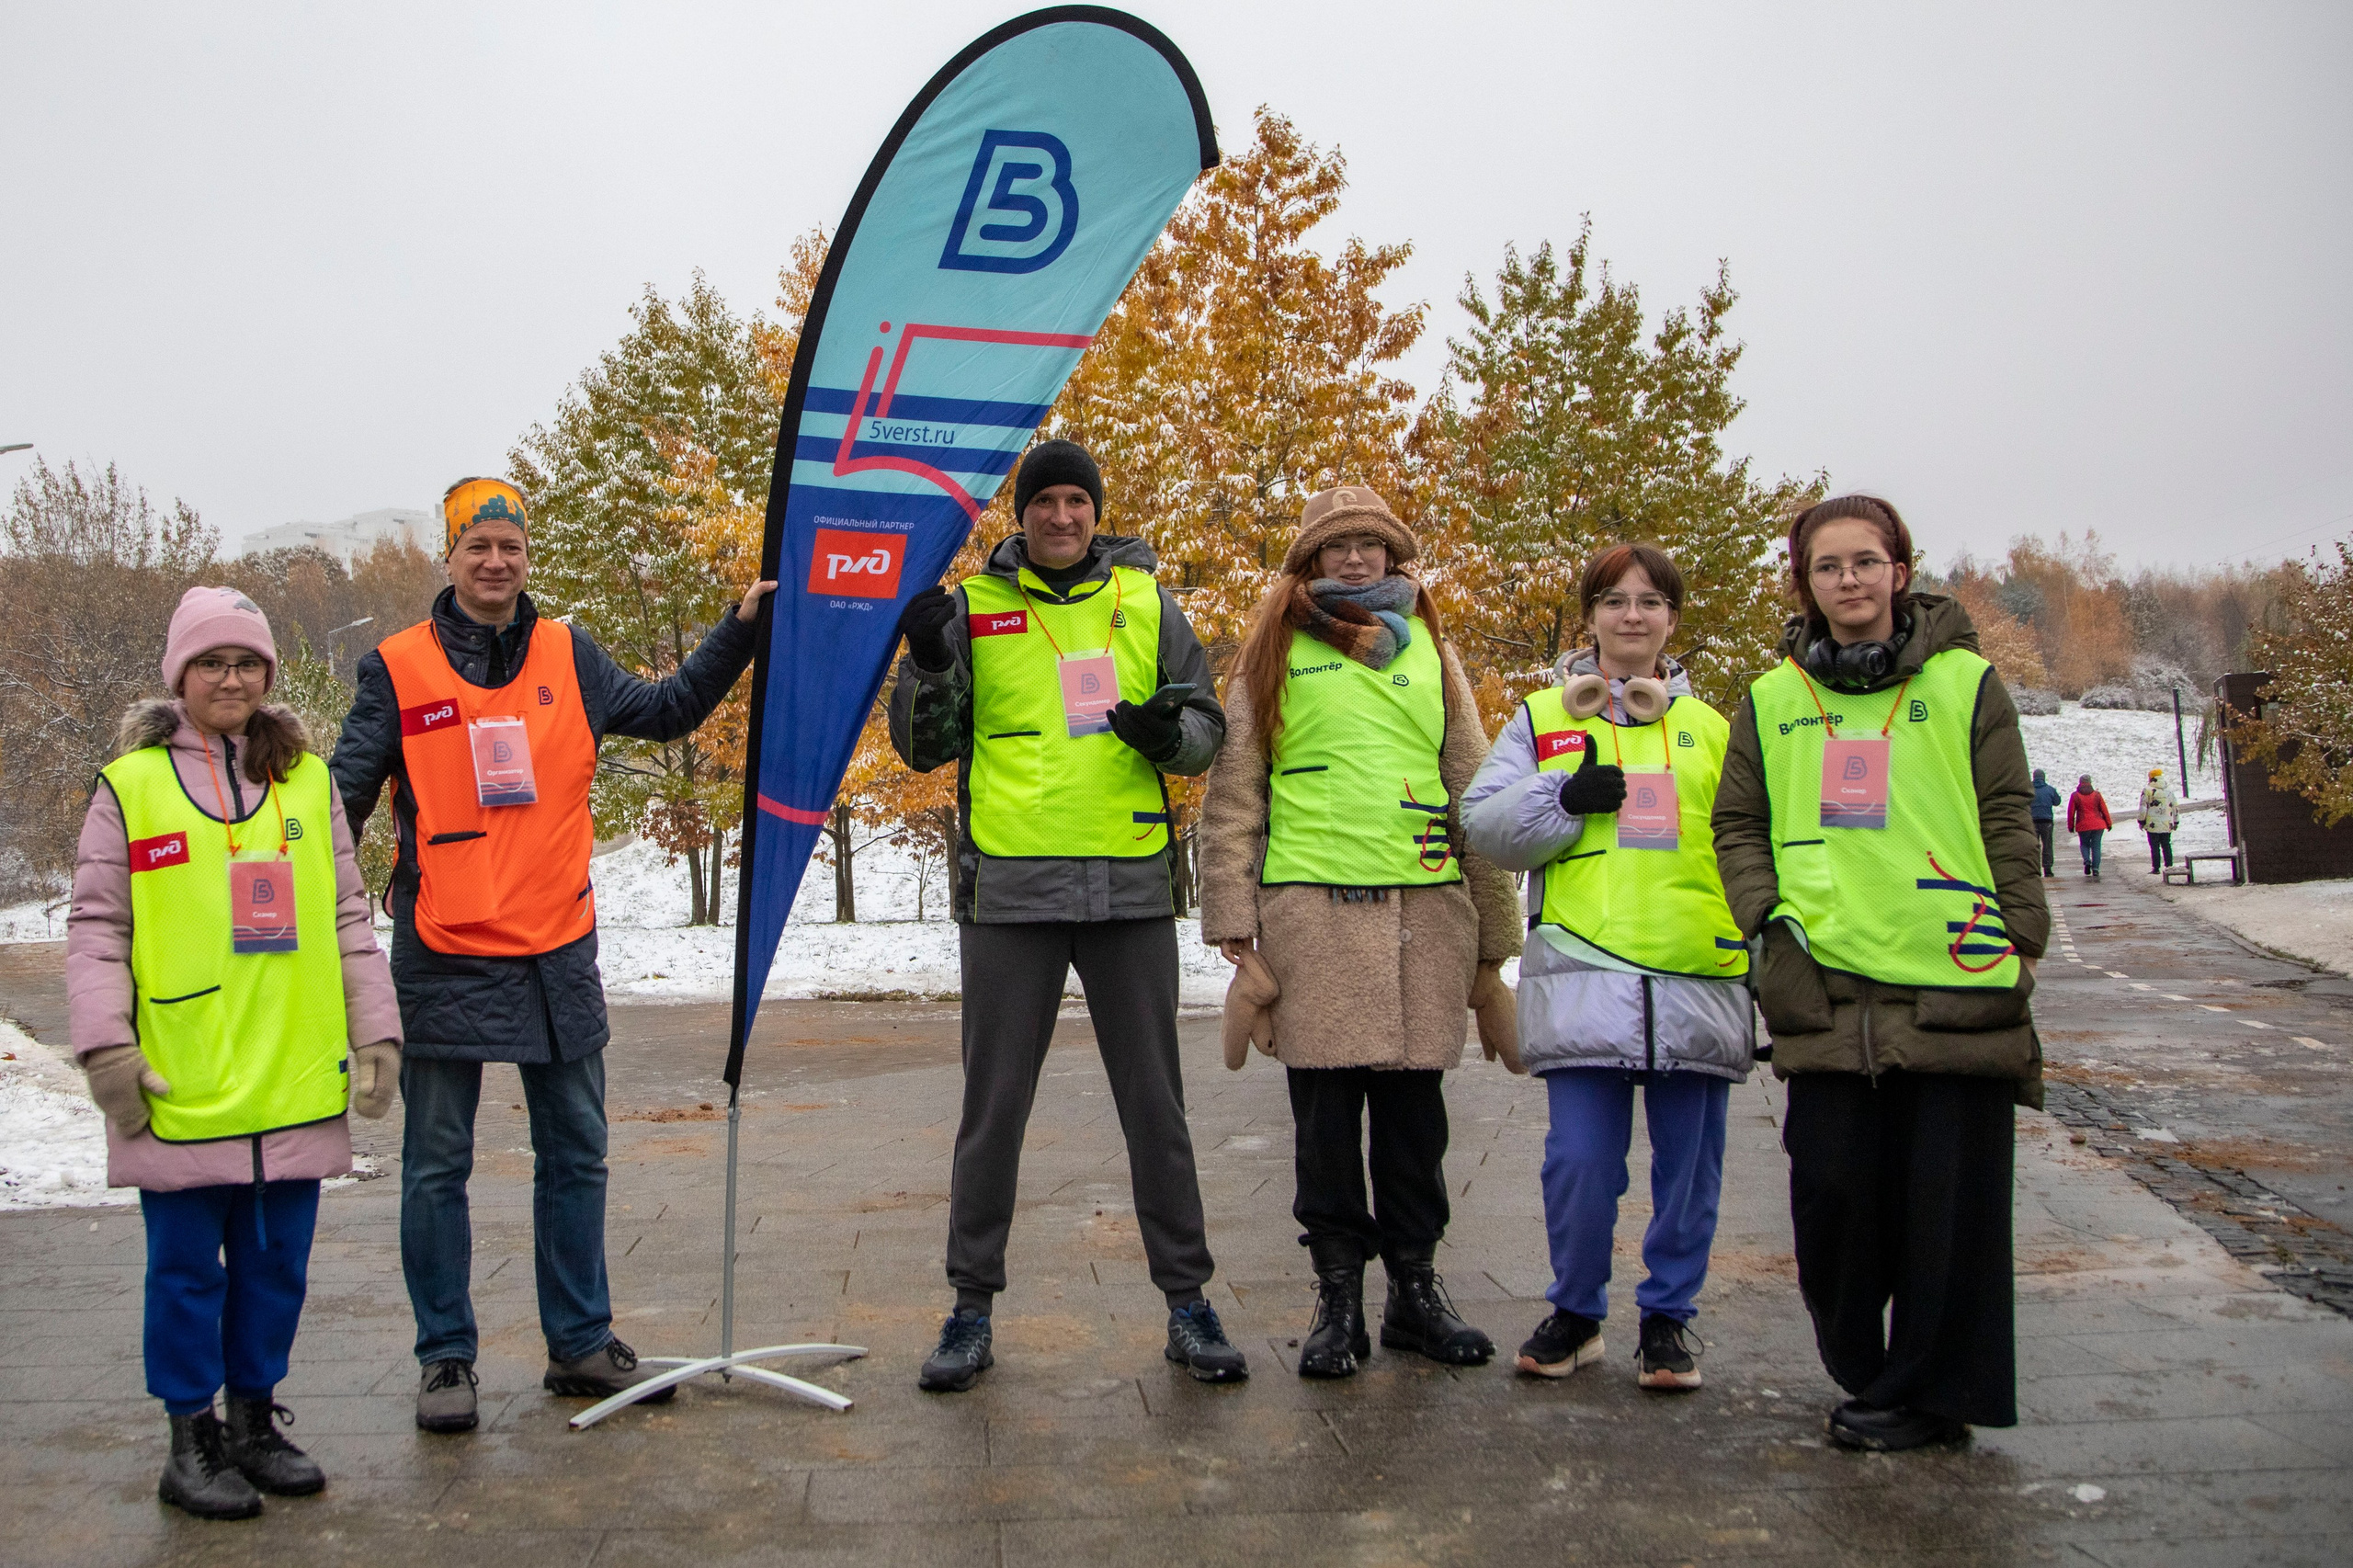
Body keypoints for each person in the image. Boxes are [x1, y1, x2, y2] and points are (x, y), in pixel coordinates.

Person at [329, 478, 774, 1432]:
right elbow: (338, 805)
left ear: (528, 557)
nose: (496, 562)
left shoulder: (570, 654)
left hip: (557, 948)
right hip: (442, 948)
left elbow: (670, 708)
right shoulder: (395, 668)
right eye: (478, 546)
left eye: (511, 547)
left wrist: (740, 629)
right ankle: (445, 1359)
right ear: (450, 557)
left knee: (576, 1152)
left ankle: (578, 1341)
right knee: (436, 1165)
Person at [887, 439, 1245, 1390]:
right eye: (1042, 501)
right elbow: (921, 745)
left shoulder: (1148, 602)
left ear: (1095, 511)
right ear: (1021, 515)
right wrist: (929, 659)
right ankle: (969, 1309)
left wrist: (1170, 734)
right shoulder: (972, 607)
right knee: (992, 1113)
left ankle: (1188, 1304)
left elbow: (1207, 734)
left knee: (1157, 1110)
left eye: (1075, 501)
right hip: (1010, 894)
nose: (1060, 516)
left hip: (1130, 887)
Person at [1713, 494, 2049, 1453]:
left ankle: (1931, 1393)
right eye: (1827, 566)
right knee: (1831, 1201)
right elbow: (1737, 823)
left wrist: (2022, 933)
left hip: (1953, 976)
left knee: (1950, 1212)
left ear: (1900, 570)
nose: (1848, 580)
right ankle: (1872, 1373)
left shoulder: (1966, 682)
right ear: (1804, 583)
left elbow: (2005, 811)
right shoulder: (1771, 698)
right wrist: (1763, 918)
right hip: (1824, 985)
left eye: (1865, 561)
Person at [69, 587, 403, 1518]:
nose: (230, 678)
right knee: (185, 1273)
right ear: (180, 675)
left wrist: (376, 1028)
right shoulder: (129, 787)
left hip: (293, 1072)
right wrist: (106, 1049)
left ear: (267, 673)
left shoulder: (309, 782)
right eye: (211, 662)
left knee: (274, 1266)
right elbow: (96, 929)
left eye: (247, 662)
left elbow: (346, 916)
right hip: (182, 1080)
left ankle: (254, 1421)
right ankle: (192, 1439)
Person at [1197, 486, 1523, 1379]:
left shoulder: (1432, 649)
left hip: (1426, 916)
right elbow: (1235, 793)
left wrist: (1494, 934)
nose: (1352, 558)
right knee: (1326, 1124)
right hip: (1311, 921)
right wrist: (1233, 920)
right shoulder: (1272, 649)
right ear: (1310, 560)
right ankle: (1336, 1299)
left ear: (1392, 556)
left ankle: (1415, 1293)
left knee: (1416, 1124)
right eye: (1335, 546)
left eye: (1369, 545)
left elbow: (1472, 782)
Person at [1461, 543, 1755, 1392]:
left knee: (1689, 1171)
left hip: (1699, 976)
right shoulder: (1542, 719)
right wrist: (1560, 797)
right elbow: (1483, 824)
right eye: (1615, 600)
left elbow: (1748, 843)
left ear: (1672, 619)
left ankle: (1668, 1318)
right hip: (1583, 976)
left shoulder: (1713, 730)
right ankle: (1577, 1314)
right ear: (1589, 615)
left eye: (1651, 601)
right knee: (1581, 1164)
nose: (1633, 616)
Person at [2068, 774, 2112, 879]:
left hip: (2083, 825)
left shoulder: (2075, 796)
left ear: (2080, 782)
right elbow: (2104, 810)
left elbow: (2071, 812)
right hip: (2098, 825)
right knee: (2096, 846)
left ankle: (2087, 861)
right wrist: (2109, 823)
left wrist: (2071, 825)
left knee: (2084, 844)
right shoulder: (2097, 795)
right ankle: (2096, 869)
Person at [2139, 767, 2178, 873]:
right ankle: (2169, 866)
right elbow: (2175, 806)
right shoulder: (2169, 790)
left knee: (2154, 846)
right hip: (2167, 823)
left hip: (2152, 824)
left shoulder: (2147, 790)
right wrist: (2176, 821)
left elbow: (2143, 808)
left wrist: (2141, 821)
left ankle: (2156, 868)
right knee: (2166, 845)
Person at [2030, 768, 2061, 878]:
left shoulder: (2028, 790)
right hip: (2046, 821)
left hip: (2032, 821)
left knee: (2034, 846)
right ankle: (2047, 869)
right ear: (2043, 777)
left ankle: (2035, 868)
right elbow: (2057, 802)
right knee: (2047, 845)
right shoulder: (2050, 790)